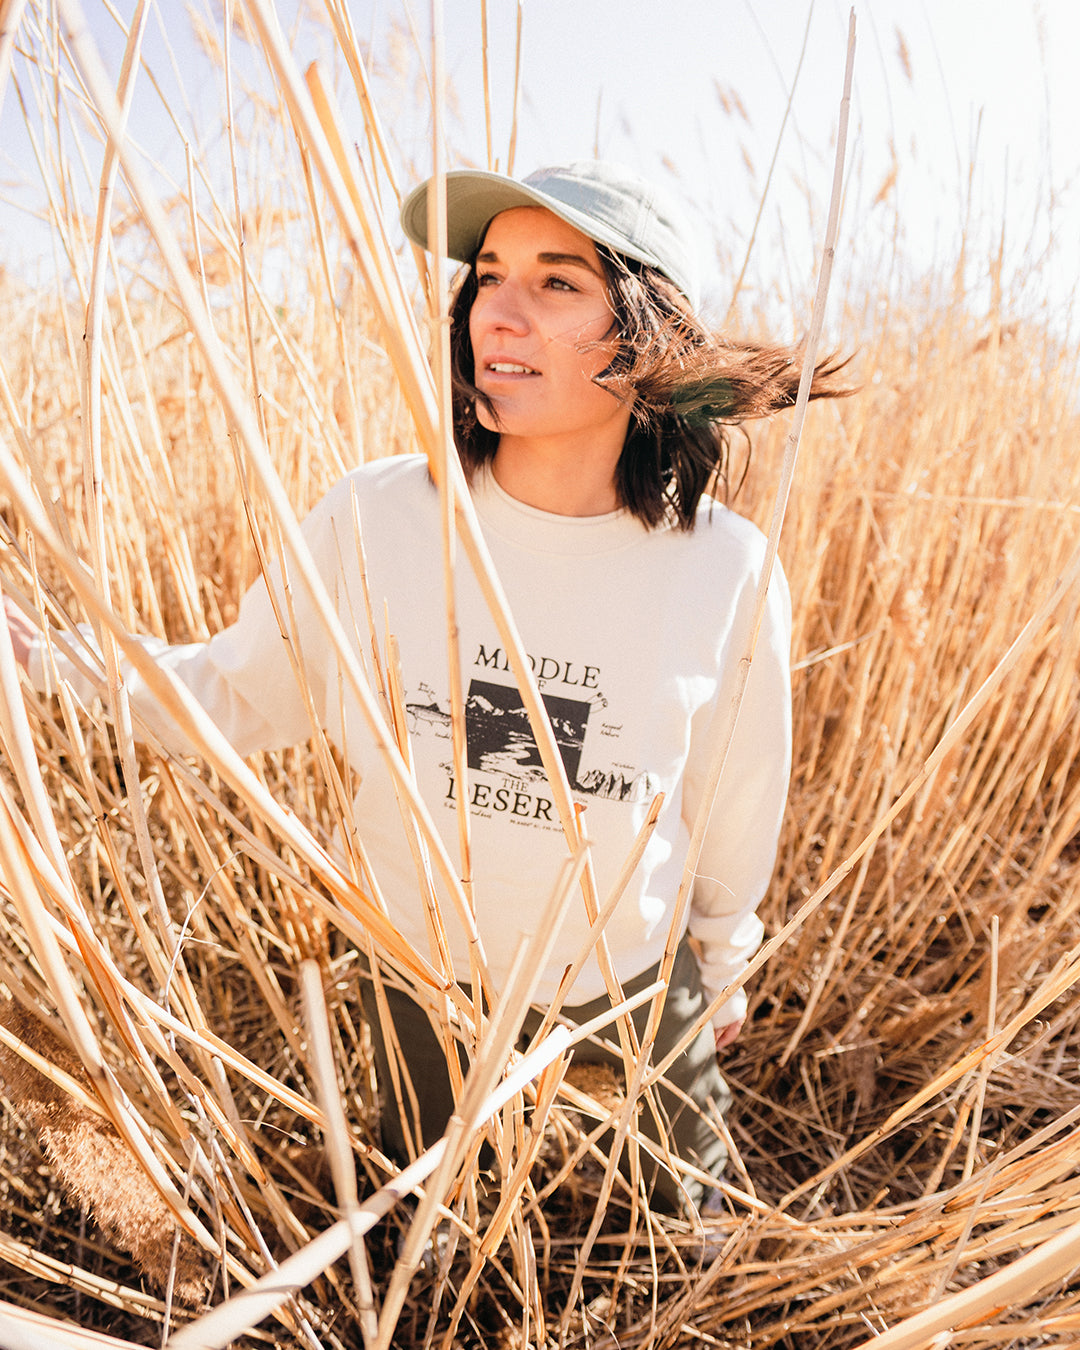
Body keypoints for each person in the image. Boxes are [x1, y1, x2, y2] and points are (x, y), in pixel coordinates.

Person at [5, 160, 845, 1216]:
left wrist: (720, 967)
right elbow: (234, 692)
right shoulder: (378, 521)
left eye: (555, 282)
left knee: (682, 1229)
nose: (497, 310)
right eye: (488, 275)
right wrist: (45, 661)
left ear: (646, 330)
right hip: (419, 977)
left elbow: (733, 809)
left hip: (625, 987)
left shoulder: (724, 565)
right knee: (424, 1229)